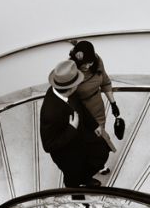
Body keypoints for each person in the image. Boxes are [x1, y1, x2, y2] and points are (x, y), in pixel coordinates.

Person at [40, 60, 104, 189]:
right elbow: (48, 146)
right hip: (67, 154)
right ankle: (76, 197)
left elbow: (81, 106)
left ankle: (85, 179)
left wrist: (93, 125)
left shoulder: (67, 91)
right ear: (70, 88)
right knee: (72, 177)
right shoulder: (50, 113)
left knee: (100, 154)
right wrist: (71, 128)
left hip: (81, 139)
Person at [69, 40, 121, 173]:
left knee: (99, 135)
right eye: (84, 63)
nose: (87, 65)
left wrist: (113, 103)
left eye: (89, 62)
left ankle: (98, 162)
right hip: (81, 110)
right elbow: (70, 97)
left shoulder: (97, 61)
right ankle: (94, 163)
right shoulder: (70, 71)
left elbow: (105, 82)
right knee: (90, 139)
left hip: (97, 105)